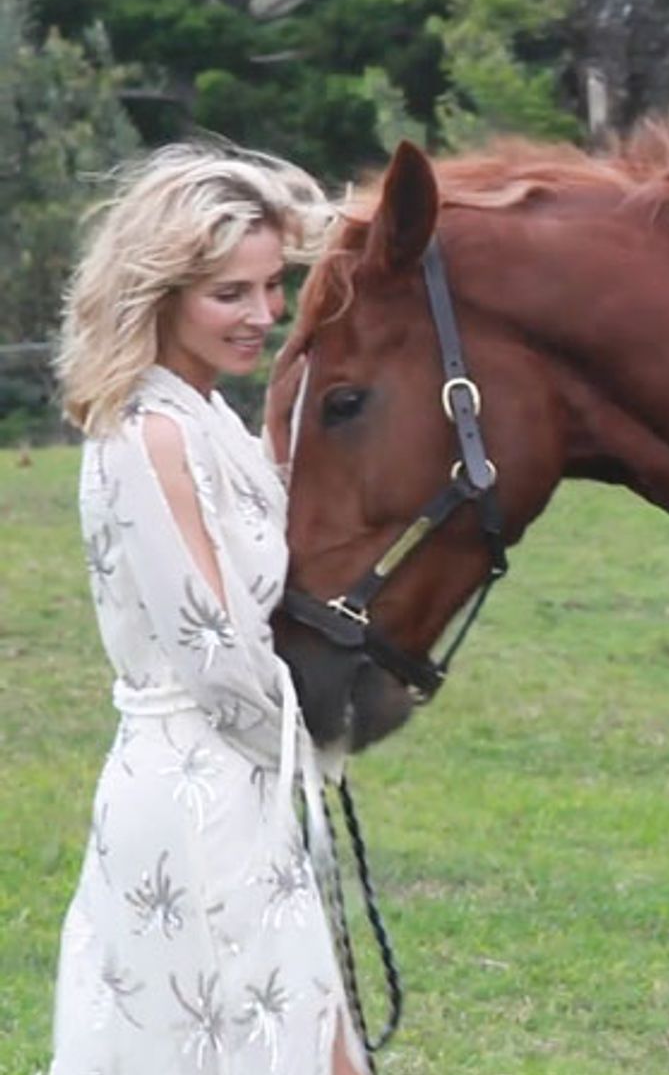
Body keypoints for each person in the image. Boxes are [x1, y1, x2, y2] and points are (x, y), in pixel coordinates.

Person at [48, 140, 368, 1075]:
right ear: (161, 292)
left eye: (271, 289)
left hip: (240, 781)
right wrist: (326, 733)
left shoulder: (207, 417)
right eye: (231, 293)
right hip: (198, 791)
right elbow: (214, 655)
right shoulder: (149, 435)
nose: (262, 316)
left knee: (315, 1040)